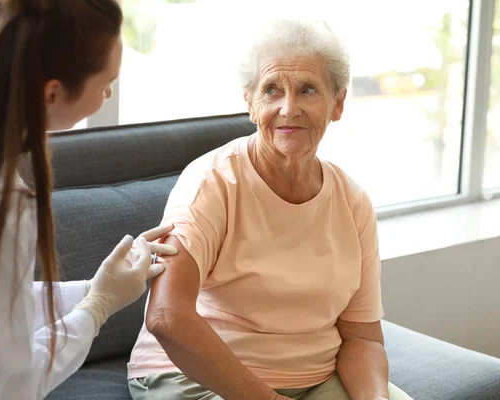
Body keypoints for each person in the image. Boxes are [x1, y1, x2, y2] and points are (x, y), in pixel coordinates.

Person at [127, 19, 413, 400]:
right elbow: (167, 317)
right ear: (250, 103)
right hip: (195, 378)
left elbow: (362, 336)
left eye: (308, 90)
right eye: (272, 90)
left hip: (316, 379)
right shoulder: (211, 183)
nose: (288, 108)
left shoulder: (353, 201)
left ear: (338, 103)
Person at [0, 1, 177, 399]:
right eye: (107, 82)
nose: (109, 93)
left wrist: (93, 288)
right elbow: (5, 387)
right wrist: (98, 308)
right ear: (52, 92)